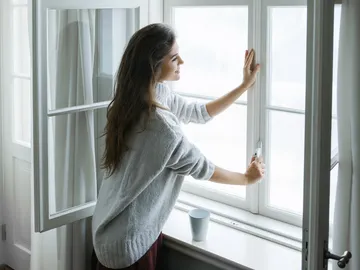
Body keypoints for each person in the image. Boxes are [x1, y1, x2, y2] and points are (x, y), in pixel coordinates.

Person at [91, 23, 264, 270]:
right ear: (153, 65)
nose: (181, 61)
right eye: (174, 58)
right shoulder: (161, 128)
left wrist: (244, 86)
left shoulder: (138, 96)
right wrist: (247, 179)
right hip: (126, 247)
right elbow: (202, 167)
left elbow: (197, 112)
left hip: (107, 229)